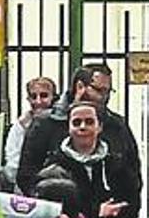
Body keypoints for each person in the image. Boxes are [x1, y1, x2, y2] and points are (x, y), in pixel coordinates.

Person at [17, 64, 142, 200]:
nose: (104, 97)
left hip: (110, 216)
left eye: (107, 91)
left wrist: (123, 209)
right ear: (80, 87)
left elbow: (132, 173)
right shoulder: (46, 123)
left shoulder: (116, 125)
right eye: (99, 90)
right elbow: (27, 176)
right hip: (61, 216)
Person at [45, 101, 138, 218]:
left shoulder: (117, 163)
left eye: (89, 122)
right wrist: (97, 213)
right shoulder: (54, 167)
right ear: (68, 128)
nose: (82, 127)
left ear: (99, 126)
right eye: (76, 122)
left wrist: (108, 213)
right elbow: (54, 213)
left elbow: (132, 205)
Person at [4, 77, 57, 185]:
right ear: (28, 99)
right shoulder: (20, 125)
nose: (38, 101)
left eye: (44, 96)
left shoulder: (60, 123)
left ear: (54, 97)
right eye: (33, 97)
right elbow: (12, 160)